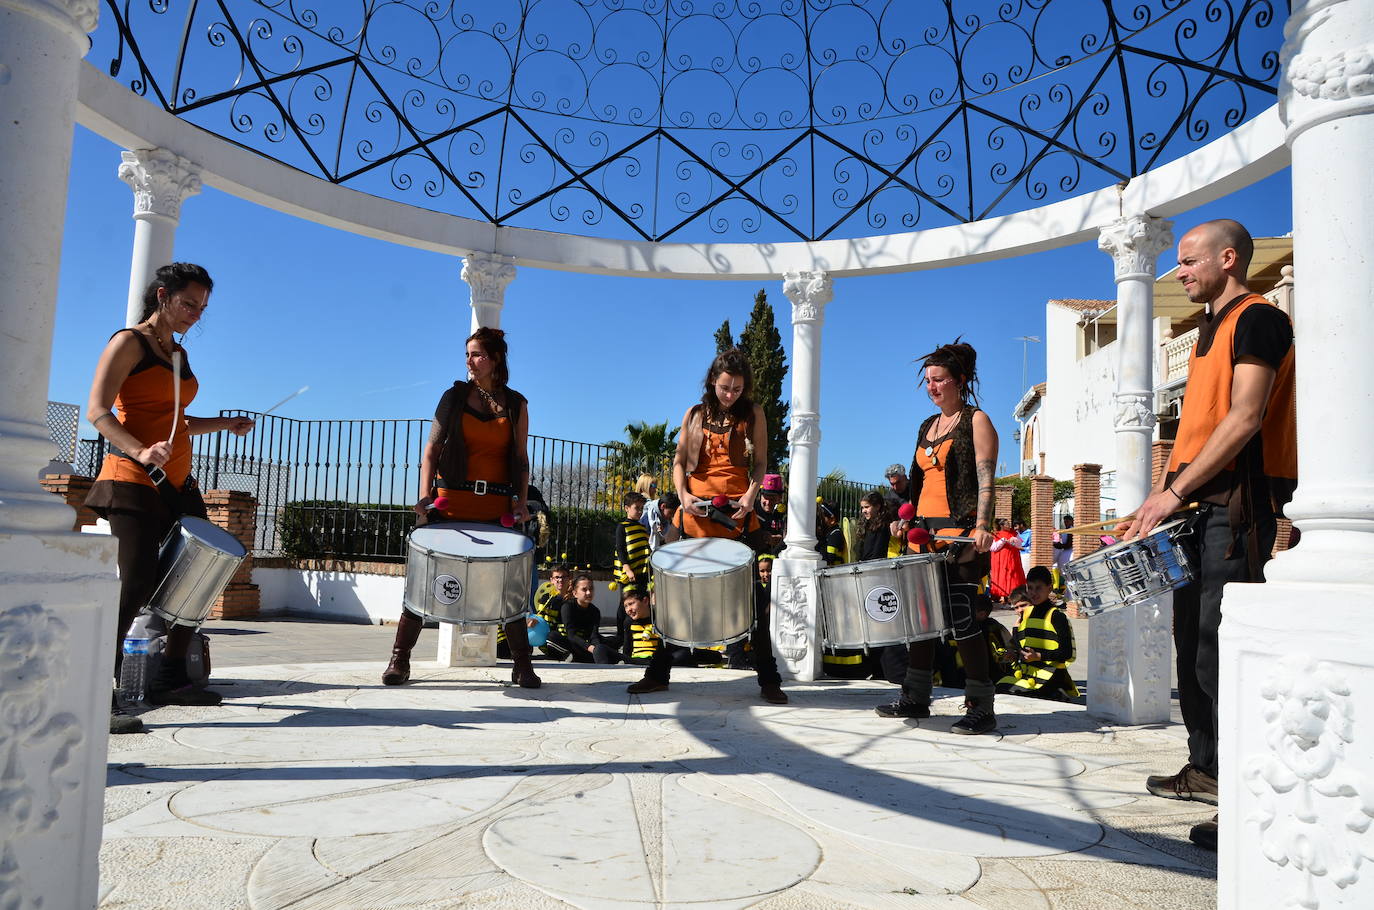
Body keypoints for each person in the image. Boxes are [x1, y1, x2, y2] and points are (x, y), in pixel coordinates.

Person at [1123, 219, 1295, 851]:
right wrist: (1159, 498)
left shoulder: (1260, 318)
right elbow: (1201, 428)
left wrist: (1173, 491)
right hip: (1195, 508)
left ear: (1229, 259)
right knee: (1190, 647)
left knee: (1221, 652)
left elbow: (1247, 416)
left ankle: (1244, 799)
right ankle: (1205, 769)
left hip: (1236, 508)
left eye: (1190, 261)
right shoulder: (1207, 329)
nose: (1181, 272)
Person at [84, 263, 255, 733]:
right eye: (189, 303)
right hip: (131, 479)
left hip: (179, 485)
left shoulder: (177, 353)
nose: (196, 315)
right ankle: (97, 691)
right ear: (163, 295)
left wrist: (224, 424)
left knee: (198, 575)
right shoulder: (129, 342)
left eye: (202, 308)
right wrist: (141, 449)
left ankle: (172, 678)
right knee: (135, 584)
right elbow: (97, 410)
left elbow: (177, 420)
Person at [382, 327, 542, 689]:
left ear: (496, 358)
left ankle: (522, 666)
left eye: (477, 354)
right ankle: (400, 660)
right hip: (450, 501)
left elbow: (520, 458)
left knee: (509, 587)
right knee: (424, 583)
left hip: (497, 504)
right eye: (468, 354)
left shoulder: (517, 404)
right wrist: (424, 498)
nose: (470, 361)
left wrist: (520, 501)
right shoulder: (453, 398)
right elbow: (431, 451)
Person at [626, 348, 786, 704]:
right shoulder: (694, 414)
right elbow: (680, 461)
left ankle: (769, 678)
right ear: (713, 380)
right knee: (679, 598)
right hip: (694, 515)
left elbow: (760, 463)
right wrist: (682, 495)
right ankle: (658, 673)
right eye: (726, 387)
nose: (731, 395)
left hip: (738, 516)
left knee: (754, 601)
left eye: (738, 389)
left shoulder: (755, 414)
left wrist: (749, 496)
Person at [877, 340, 1000, 734]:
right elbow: (916, 488)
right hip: (922, 538)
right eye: (928, 380)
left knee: (963, 622)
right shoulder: (925, 427)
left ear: (960, 380)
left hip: (959, 538)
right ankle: (915, 696)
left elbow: (986, 481)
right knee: (921, 622)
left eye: (939, 380)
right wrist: (902, 520)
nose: (932, 387)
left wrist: (982, 526)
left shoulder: (976, 420)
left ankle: (981, 706)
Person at [997, 567, 1078, 701]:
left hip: (1051, 675)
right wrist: (1014, 652)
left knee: (1011, 692)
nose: (1033, 593)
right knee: (999, 686)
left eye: (1038, 588)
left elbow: (1067, 653)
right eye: (1030, 588)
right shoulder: (1026, 614)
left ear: (1049, 588)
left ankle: (1057, 693)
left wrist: (1038, 656)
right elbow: (1022, 647)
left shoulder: (1056, 616)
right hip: (1029, 673)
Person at [550, 574, 616, 663]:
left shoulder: (595, 611)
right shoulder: (567, 607)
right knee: (552, 636)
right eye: (584, 590)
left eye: (591, 589)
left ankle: (585, 657)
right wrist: (590, 648)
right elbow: (571, 635)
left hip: (585, 645)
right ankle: (571, 655)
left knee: (614, 640)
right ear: (575, 593)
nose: (589, 593)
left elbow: (594, 636)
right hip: (570, 643)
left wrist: (597, 648)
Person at [612, 585, 661, 665]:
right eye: (625, 606)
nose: (628, 609)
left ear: (645, 601)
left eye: (631, 604)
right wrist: (626, 662)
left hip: (656, 659)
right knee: (601, 649)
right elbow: (627, 646)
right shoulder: (628, 622)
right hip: (637, 659)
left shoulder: (658, 619)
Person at [615, 491, 652, 588]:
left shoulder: (643, 528)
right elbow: (620, 549)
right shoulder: (622, 527)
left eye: (641, 508)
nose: (640, 511)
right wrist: (627, 569)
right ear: (627, 508)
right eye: (637, 508)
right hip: (629, 574)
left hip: (643, 573)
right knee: (628, 600)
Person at [988, 518, 1027, 601]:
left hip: (1013, 559)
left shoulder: (1014, 533)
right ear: (1001, 525)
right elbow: (993, 548)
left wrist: (1015, 540)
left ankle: (1014, 597)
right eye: (1007, 524)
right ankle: (1003, 598)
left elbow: (1020, 544)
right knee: (1003, 577)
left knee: (1013, 576)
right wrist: (1003, 541)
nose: (1009, 525)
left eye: (1009, 523)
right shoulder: (996, 534)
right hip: (1001, 561)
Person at [754, 473, 787, 555]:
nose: (768, 502)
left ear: (780, 498)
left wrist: (781, 539)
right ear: (760, 496)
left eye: (772, 498)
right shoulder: (752, 509)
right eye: (765, 497)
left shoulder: (785, 513)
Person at [816, 500, 845, 566]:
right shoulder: (827, 533)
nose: (820, 519)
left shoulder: (835, 534)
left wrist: (820, 541)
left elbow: (829, 559)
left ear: (832, 520)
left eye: (822, 517)